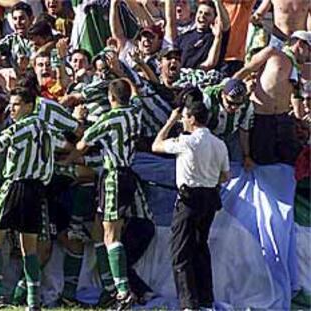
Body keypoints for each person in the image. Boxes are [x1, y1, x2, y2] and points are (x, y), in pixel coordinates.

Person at [63, 78, 151, 311]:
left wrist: (67, 159)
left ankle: (122, 293)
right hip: (128, 175)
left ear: (111, 98)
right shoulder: (136, 113)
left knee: (111, 235)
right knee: (100, 232)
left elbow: (83, 144)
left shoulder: (109, 119)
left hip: (113, 176)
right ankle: (112, 290)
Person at [0, 87, 54, 311]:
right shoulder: (45, 126)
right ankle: (33, 301)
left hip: (15, 185)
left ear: (29, 105)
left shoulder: (24, 126)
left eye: (15, 104)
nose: (10, 109)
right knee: (29, 248)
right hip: (37, 189)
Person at [152, 87, 230, 310]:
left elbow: (156, 145)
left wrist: (169, 122)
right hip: (210, 197)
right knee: (200, 248)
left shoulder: (187, 142)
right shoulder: (219, 144)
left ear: (193, 119)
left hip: (189, 199)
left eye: (185, 118)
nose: (182, 122)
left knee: (181, 251)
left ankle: (188, 302)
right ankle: (206, 299)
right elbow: (225, 176)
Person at [233, 31, 311, 166]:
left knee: (288, 159)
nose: (309, 56)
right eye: (310, 51)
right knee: (263, 159)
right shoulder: (272, 53)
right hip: (262, 116)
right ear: (300, 44)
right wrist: (228, 86)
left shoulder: (297, 69)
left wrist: (300, 118)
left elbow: (296, 95)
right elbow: (247, 70)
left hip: (283, 118)